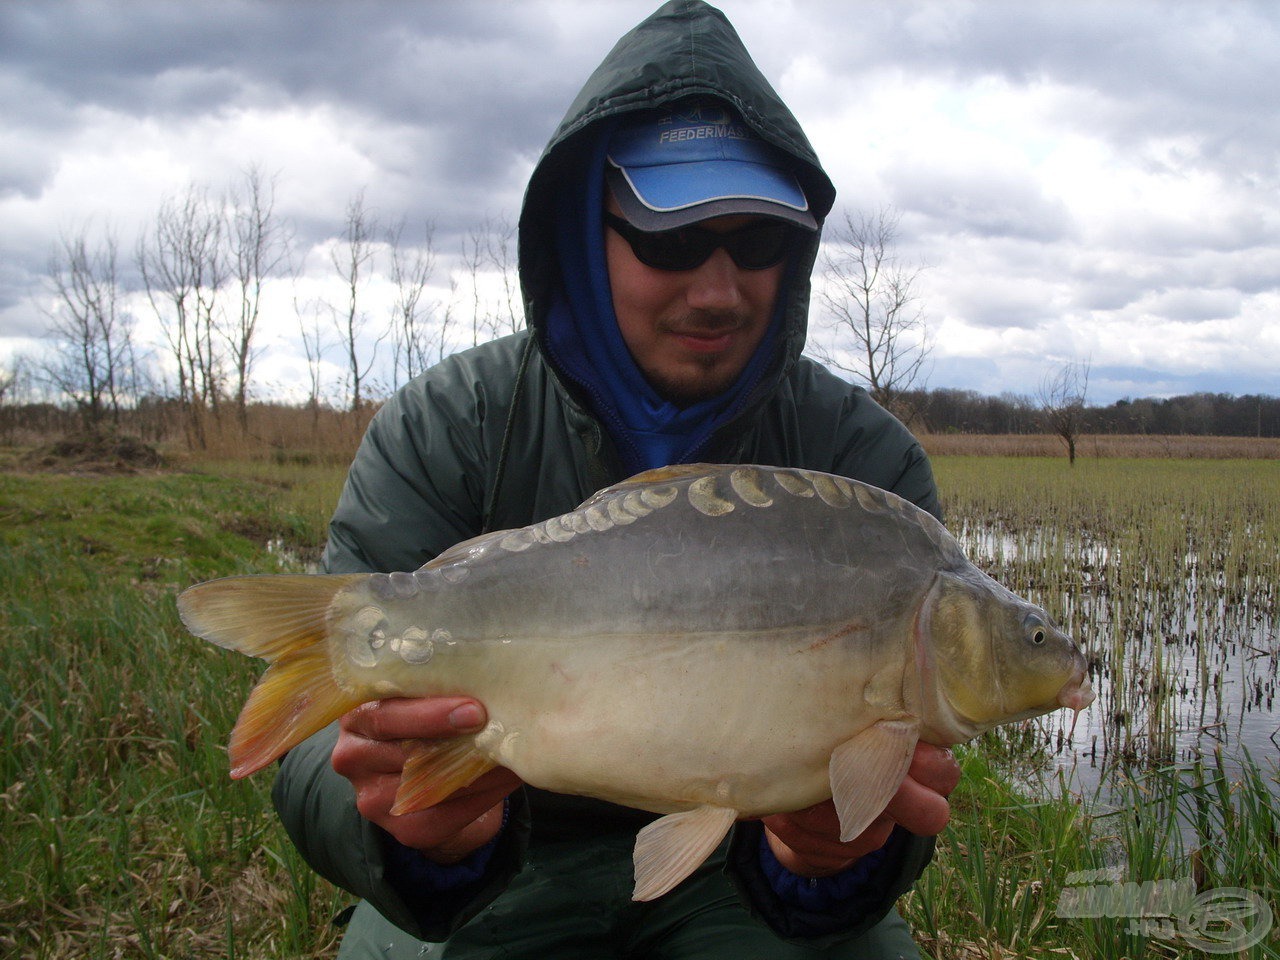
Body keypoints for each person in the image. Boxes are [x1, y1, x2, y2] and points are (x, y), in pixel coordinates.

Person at [274, 2, 960, 957]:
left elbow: (908, 784)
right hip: (503, 870)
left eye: (757, 241)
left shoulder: (864, 465)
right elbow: (316, 760)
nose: (719, 289)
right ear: (582, 233)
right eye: (672, 240)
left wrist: (832, 861)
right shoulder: (451, 423)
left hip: (740, 872)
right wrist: (407, 827)